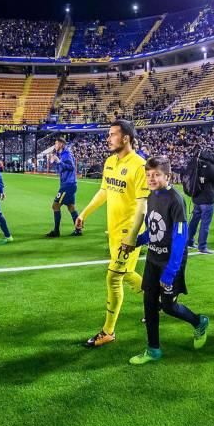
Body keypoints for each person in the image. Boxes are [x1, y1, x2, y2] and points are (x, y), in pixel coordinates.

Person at [128, 156, 209, 365]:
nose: (151, 178)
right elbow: (154, 229)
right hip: (153, 260)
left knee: (169, 306)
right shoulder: (152, 195)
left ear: (167, 175)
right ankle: (153, 349)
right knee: (149, 303)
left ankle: (199, 322)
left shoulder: (176, 199)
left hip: (170, 263)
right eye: (148, 175)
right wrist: (137, 241)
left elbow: (180, 238)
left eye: (156, 175)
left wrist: (170, 272)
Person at [76, 120, 148, 347]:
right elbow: (104, 191)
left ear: (126, 137)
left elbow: (142, 206)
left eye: (112, 134)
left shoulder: (139, 166)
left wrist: (132, 236)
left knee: (114, 276)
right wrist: (84, 214)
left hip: (130, 233)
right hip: (114, 231)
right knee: (126, 273)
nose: (108, 138)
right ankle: (158, 298)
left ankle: (108, 331)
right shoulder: (109, 162)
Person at [45, 136, 82, 237]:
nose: (55, 145)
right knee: (71, 207)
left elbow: (71, 167)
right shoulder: (62, 155)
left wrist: (59, 161)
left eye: (56, 143)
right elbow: (61, 169)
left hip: (68, 185)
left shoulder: (66, 154)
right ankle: (78, 230)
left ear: (61, 144)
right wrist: (55, 162)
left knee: (55, 205)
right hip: (69, 184)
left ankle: (56, 231)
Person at [187, 149, 214, 255]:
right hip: (207, 199)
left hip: (196, 198)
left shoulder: (195, 164)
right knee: (205, 224)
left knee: (194, 221)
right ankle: (202, 246)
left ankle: (189, 241)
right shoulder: (208, 166)